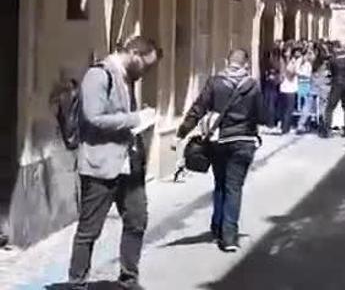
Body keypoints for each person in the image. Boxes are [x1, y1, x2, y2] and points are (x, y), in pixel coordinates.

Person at [68, 36, 163, 290]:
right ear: (134, 53)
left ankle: (128, 280)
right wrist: (135, 119)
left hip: (128, 164)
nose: (146, 71)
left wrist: (141, 122)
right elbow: (93, 117)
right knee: (90, 230)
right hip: (101, 164)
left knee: (137, 220)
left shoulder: (126, 78)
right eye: (146, 65)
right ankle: (77, 283)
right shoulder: (99, 75)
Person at [176, 49, 264, 253]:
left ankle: (217, 227)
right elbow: (263, 115)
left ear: (226, 62)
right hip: (244, 141)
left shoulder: (215, 82)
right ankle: (230, 237)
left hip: (220, 141)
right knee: (234, 187)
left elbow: (198, 108)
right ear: (246, 64)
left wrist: (181, 133)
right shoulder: (252, 86)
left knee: (220, 183)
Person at [279, 44, 301, 134]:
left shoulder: (282, 61)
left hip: (284, 87)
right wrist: (296, 70)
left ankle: (284, 126)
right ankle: (285, 128)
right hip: (289, 87)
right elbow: (291, 74)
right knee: (289, 109)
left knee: (284, 108)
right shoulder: (289, 62)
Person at [295, 49, 315, 134]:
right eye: (308, 54)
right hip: (303, 84)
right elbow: (298, 72)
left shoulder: (306, 62)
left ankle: (306, 122)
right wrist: (306, 75)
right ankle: (302, 123)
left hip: (305, 83)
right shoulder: (301, 61)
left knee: (307, 103)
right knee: (307, 103)